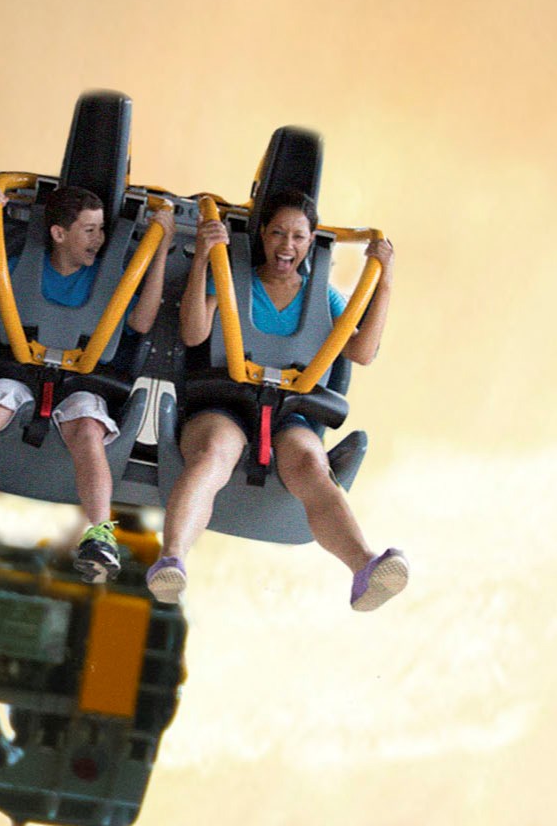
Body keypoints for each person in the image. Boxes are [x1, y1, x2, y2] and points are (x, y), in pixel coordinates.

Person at [145, 128, 406, 612]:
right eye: (278, 234)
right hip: (224, 401)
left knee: (311, 466)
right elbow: (194, 334)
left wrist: (384, 282)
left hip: (291, 413)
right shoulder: (234, 277)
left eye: (298, 237)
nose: (287, 246)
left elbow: (363, 352)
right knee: (215, 453)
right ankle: (172, 560)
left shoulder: (322, 297)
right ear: (262, 235)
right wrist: (204, 257)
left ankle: (366, 567)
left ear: (311, 242)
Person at [0, 95, 164, 562]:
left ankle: (100, 533)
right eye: (89, 230)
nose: (99, 240)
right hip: (18, 372)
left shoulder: (109, 281)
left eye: (102, 230)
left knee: (87, 428)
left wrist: (159, 249)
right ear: (59, 234)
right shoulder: (19, 267)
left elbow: (141, 322)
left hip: (83, 381)